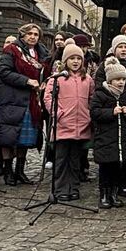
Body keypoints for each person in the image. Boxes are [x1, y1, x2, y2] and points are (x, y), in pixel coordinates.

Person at [0, 23, 47, 187]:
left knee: (26, 137)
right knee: (8, 136)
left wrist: (44, 82)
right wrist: (26, 81)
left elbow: (44, 72)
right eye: (29, 34)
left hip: (31, 100)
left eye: (36, 34)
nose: (33, 37)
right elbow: (4, 72)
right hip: (12, 100)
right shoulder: (12, 50)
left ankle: (20, 171)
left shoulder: (41, 53)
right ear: (22, 35)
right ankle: (8, 171)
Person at [42, 42, 94, 201]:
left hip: (81, 125)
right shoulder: (57, 79)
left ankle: (73, 188)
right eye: (72, 58)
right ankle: (60, 189)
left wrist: (88, 114)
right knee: (61, 160)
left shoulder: (88, 79)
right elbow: (48, 97)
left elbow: (92, 98)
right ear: (65, 60)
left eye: (79, 58)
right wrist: (58, 114)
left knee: (75, 160)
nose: (76, 61)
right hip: (63, 125)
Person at [90, 58, 126, 208]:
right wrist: (111, 112)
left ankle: (114, 194)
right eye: (118, 79)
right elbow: (94, 113)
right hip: (106, 139)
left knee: (118, 168)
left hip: (122, 140)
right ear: (110, 80)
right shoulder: (100, 94)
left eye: (123, 79)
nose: (121, 82)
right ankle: (104, 195)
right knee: (106, 169)